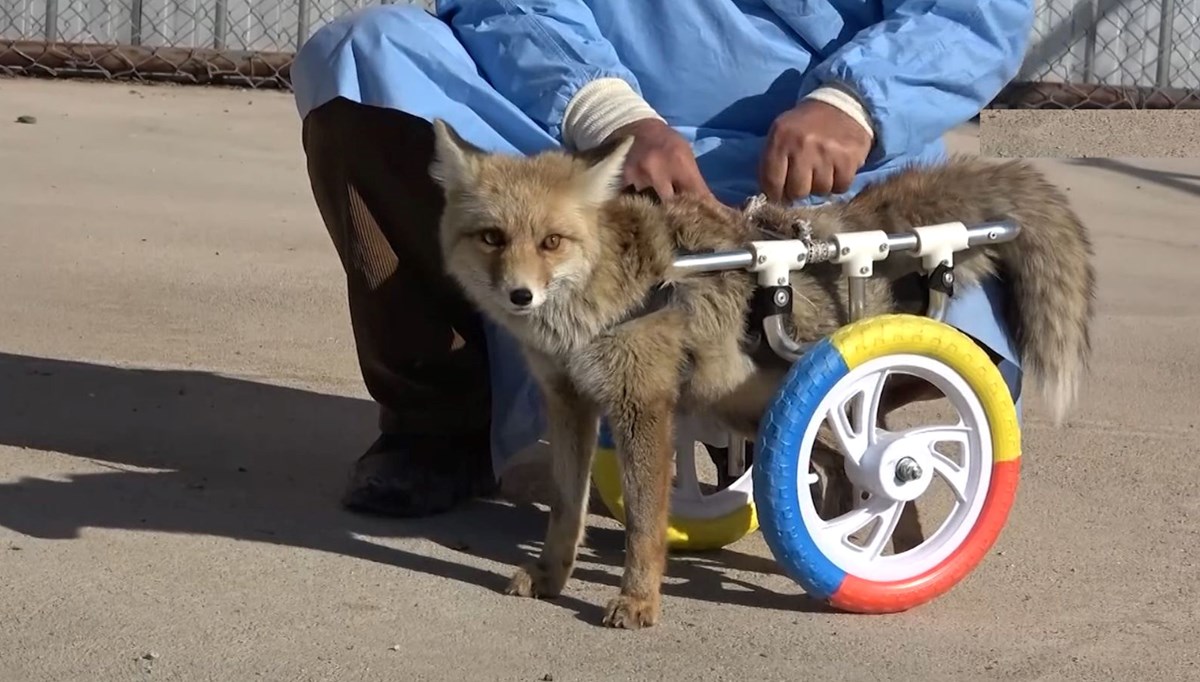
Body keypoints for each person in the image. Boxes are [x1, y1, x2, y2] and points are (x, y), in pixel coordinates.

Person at [290, 0, 1035, 518]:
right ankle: (440, 427)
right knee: (364, 58)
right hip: (583, 153)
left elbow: (976, 12)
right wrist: (608, 115)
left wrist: (854, 103)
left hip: (833, 174)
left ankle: (803, 417)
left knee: (964, 288)